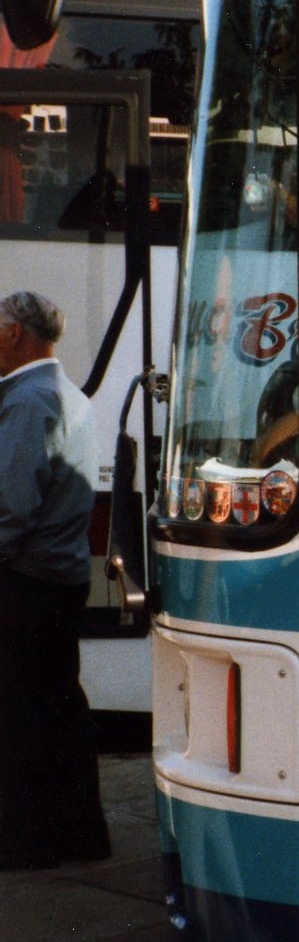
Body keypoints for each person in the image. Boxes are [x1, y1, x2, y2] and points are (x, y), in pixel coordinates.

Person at [0, 291, 109, 871]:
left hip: (25, 583)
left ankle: (22, 844)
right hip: (61, 578)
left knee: (17, 715)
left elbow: (10, 506)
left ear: (15, 333)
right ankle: (78, 836)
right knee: (60, 705)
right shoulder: (67, 393)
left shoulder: (26, 400)